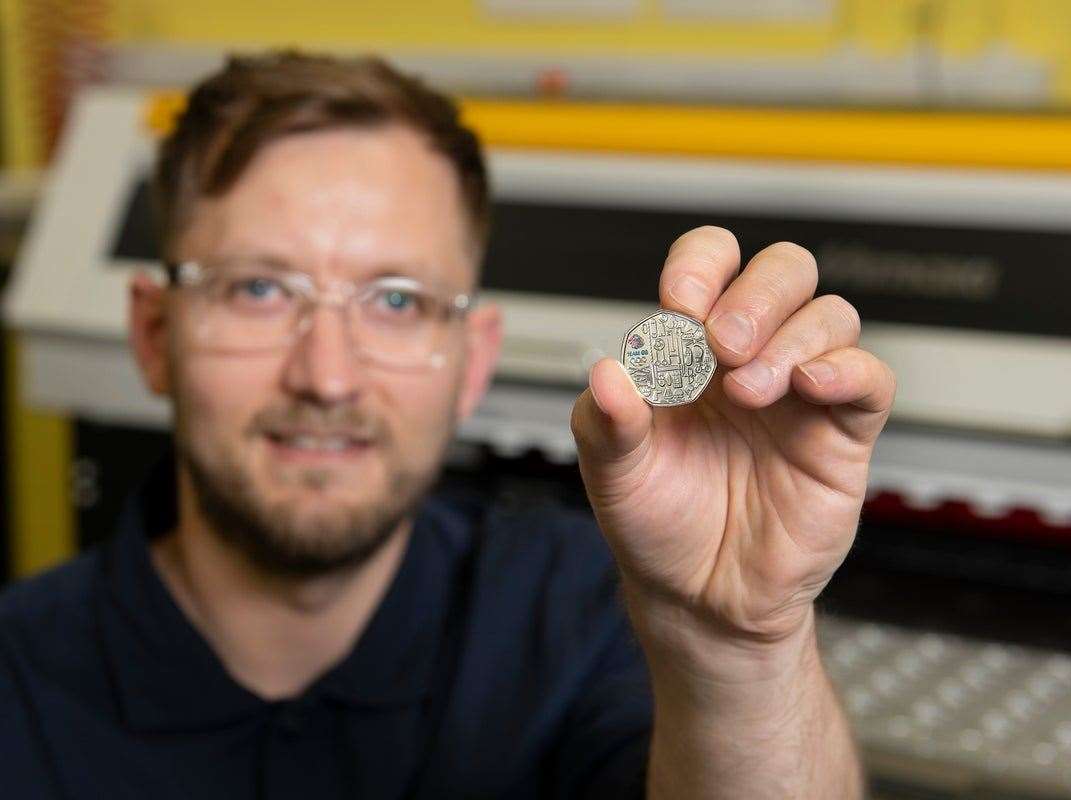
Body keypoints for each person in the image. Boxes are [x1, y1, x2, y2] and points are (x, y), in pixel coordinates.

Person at [0, 51, 894, 799]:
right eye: (259, 290)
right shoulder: (18, 679)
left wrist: (739, 649)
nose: (327, 376)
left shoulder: (593, 614)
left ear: (472, 361)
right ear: (155, 335)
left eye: (397, 300)